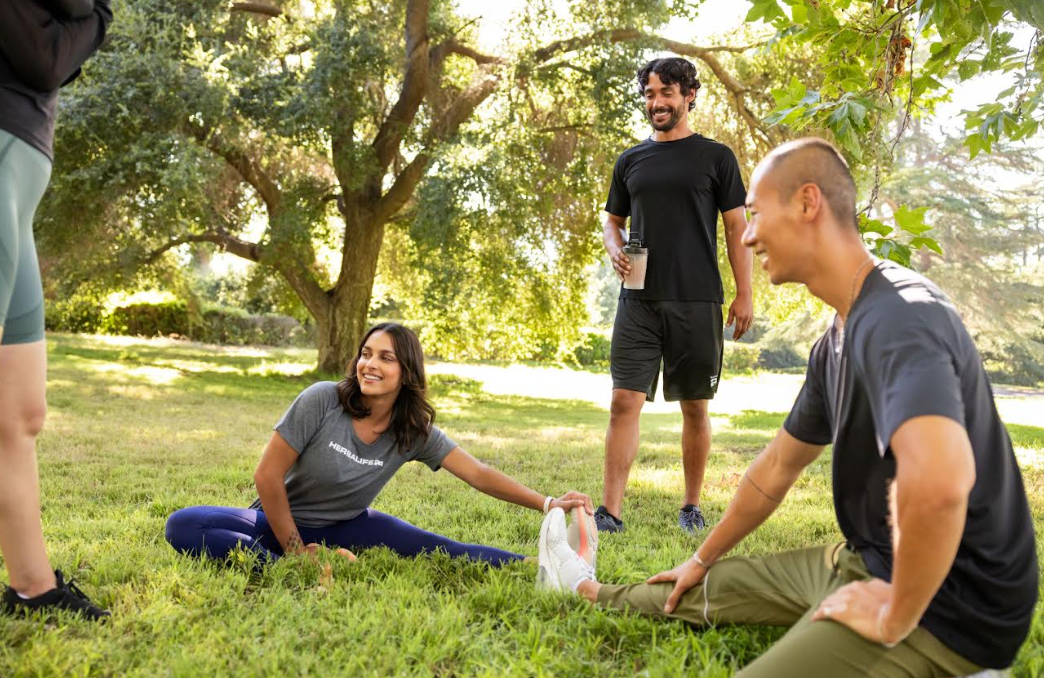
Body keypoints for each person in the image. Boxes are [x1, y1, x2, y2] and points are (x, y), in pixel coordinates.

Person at [537, 138, 1038, 677]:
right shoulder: (837, 338)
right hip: (866, 562)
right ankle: (586, 589)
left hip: (952, 611)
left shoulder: (900, 317)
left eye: (756, 214)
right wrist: (702, 558)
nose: (747, 235)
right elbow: (776, 467)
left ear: (807, 203)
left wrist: (895, 615)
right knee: (705, 587)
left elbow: (940, 483)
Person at [166, 323, 597, 567]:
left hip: (350, 524)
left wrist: (548, 504)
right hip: (277, 522)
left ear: (406, 373)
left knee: (443, 548)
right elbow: (266, 476)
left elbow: (478, 474)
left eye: (385, 358)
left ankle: (539, 566)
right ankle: (299, 565)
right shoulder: (322, 399)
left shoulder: (412, 431)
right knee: (183, 525)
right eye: (366, 353)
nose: (369, 364)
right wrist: (297, 551)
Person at [597, 57, 754, 534]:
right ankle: (610, 513)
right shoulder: (630, 160)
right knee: (623, 402)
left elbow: (736, 227)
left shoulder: (716, 157)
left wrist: (744, 293)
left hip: (697, 299)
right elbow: (612, 221)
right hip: (638, 299)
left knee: (695, 406)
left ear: (689, 95)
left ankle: (691, 505)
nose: (657, 102)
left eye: (666, 93)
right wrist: (615, 249)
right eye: (649, 94)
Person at [0, 0, 113, 620]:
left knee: (20, 411)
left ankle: (33, 588)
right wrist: (96, 18)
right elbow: (46, 60)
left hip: (19, 180)